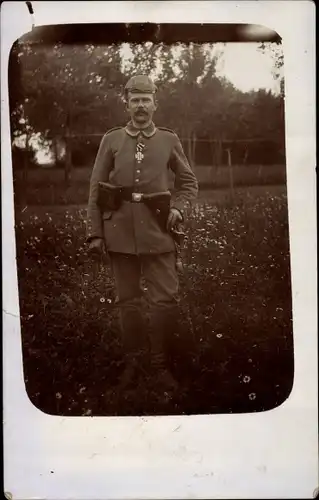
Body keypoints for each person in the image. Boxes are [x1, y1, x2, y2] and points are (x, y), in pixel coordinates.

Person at [86, 74, 198, 392]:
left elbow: (189, 182)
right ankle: (133, 365)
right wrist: (95, 233)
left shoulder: (168, 139)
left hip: (159, 232)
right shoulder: (111, 140)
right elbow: (95, 189)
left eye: (145, 100)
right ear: (126, 104)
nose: (140, 107)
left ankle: (161, 364)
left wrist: (179, 208)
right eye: (135, 100)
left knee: (165, 300)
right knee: (128, 302)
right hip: (119, 233)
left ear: (155, 104)